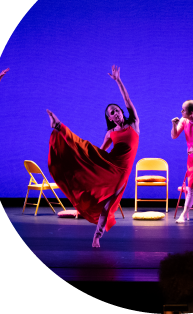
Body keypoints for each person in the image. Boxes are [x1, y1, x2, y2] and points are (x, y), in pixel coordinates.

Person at [47, 65, 139, 248]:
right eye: (111, 112)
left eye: (116, 109)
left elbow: (127, 99)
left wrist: (118, 81)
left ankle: (97, 235)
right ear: (111, 118)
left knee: (107, 206)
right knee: (86, 148)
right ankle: (59, 126)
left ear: (121, 112)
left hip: (122, 171)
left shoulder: (134, 124)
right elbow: (100, 152)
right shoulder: (110, 133)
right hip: (111, 164)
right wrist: (86, 160)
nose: (115, 112)